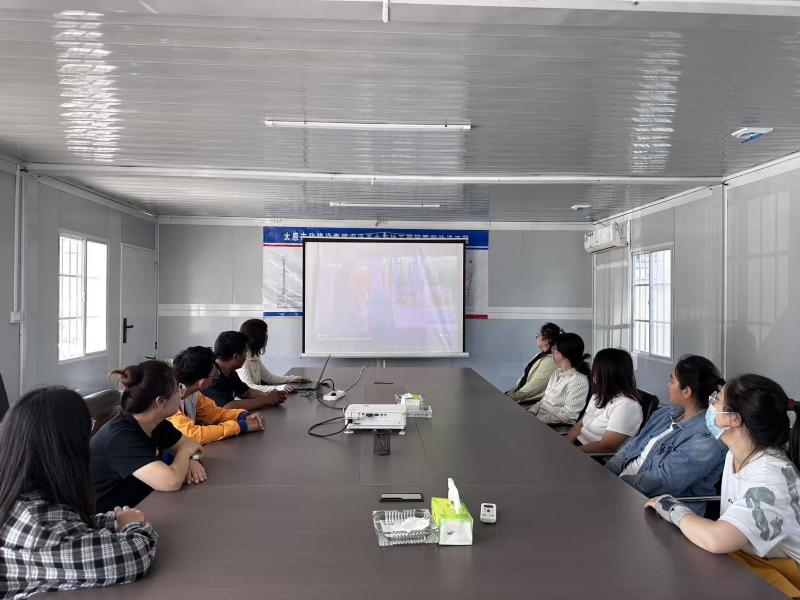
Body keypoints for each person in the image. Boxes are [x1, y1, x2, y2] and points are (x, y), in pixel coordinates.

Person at [647, 375, 800, 597]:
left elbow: (717, 539)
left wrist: (670, 507)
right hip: (749, 562)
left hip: (785, 581)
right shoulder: (735, 455)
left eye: (716, 400)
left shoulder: (773, 478)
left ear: (734, 419)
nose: (710, 405)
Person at [0, 387, 157, 599]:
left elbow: (69, 526)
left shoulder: (22, 495)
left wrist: (112, 521)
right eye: (88, 427)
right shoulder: (36, 522)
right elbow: (132, 557)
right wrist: (135, 526)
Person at [605, 355, 726, 516]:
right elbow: (632, 446)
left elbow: (661, 482)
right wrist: (608, 473)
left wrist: (615, 484)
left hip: (657, 509)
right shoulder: (664, 414)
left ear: (687, 391)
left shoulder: (706, 439)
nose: (668, 385)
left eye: (672, 381)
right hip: (621, 489)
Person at [91, 360, 207, 513]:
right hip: (109, 521)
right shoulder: (119, 438)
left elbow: (194, 446)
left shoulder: (156, 423)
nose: (181, 393)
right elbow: (171, 482)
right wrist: (185, 453)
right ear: (161, 401)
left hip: (144, 507)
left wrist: (193, 460)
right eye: (178, 389)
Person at [170, 346, 265, 445]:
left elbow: (215, 414)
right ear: (202, 383)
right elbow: (194, 435)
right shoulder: (168, 400)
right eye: (214, 374)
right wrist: (241, 426)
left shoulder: (193, 394)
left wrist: (243, 416)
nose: (215, 377)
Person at [566, 348, 643, 453]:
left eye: (597, 368)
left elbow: (606, 447)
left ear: (610, 372)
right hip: (578, 447)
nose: (593, 371)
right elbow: (579, 425)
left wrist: (569, 452)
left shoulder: (626, 406)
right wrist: (565, 445)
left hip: (594, 456)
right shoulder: (600, 394)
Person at [203, 331, 288, 410]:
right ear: (236, 357)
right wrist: (266, 399)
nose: (246, 356)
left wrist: (270, 396)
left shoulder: (230, 372)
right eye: (245, 353)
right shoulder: (211, 375)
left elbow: (246, 393)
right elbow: (227, 406)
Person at [528, 332, 591, 425]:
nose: (552, 352)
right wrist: (531, 412)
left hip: (552, 427)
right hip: (539, 420)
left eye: (554, 349)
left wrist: (539, 419)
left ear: (561, 354)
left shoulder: (578, 380)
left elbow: (569, 416)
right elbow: (544, 401)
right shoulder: (557, 373)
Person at [237, 319, 311, 393]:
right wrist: (277, 388)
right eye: (265, 333)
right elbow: (248, 387)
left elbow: (268, 377)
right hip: (246, 399)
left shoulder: (253, 355)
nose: (266, 336)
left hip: (254, 396)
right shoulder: (243, 358)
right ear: (257, 336)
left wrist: (293, 378)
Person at [506, 322, 561, 405]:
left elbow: (534, 386)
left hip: (530, 402)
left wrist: (512, 397)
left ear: (546, 341)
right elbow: (523, 378)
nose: (536, 337)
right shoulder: (539, 355)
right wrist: (510, 393)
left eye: (539, 335)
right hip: (519, 397)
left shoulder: (551, 361)